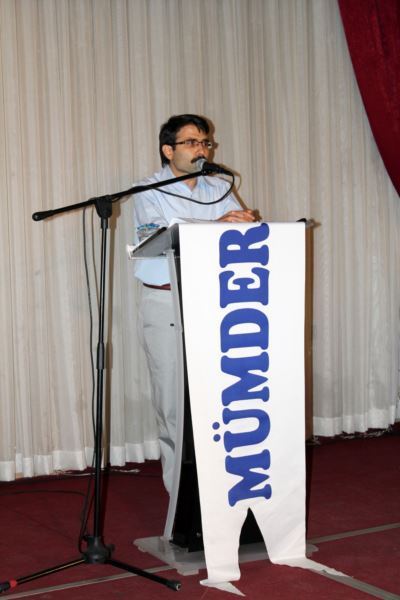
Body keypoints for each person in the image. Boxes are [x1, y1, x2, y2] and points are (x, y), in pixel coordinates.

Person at [133, 114, 257, 492]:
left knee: (216, 397)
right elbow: (158, 238)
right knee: (173, 402)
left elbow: (239, 232)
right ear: (168, 150)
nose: (202, 149)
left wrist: (245, 224)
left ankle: (218, 488)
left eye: (205, 142)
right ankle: (180, 497)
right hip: (166, 300)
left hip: (215, 302)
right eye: (191, 142)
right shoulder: (147, 191)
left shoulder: (218, 187)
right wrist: (218, 224)